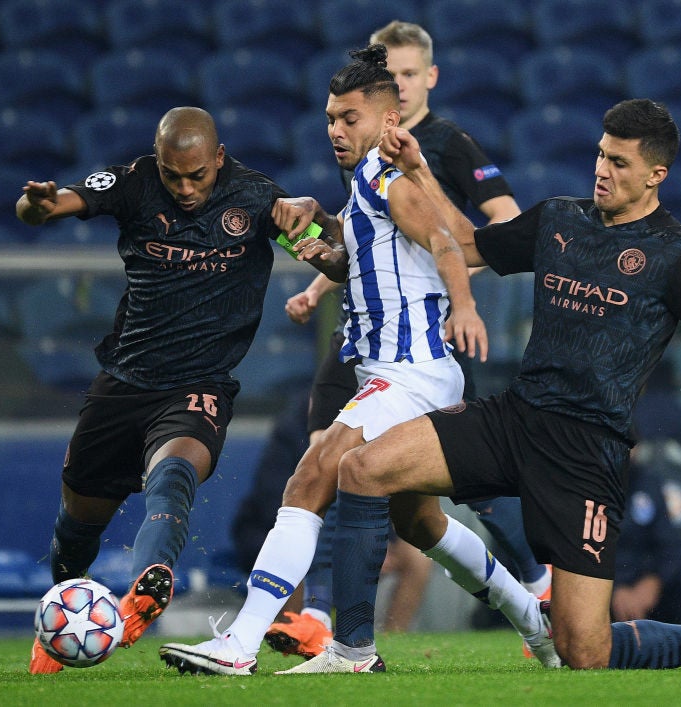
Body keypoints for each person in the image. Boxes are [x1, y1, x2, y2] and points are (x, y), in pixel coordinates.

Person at [322, 98, 681, 671]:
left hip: (586, 454)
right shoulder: (559, 218)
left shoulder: (680, 257)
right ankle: (353, 652)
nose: (601, 170)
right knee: (363, 470)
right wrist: (420, 173)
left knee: (585, 652)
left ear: (654, 175)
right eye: (599, 155)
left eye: (618, 162)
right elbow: (466, 245)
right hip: (514, 419)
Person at [158, 45, 555, 677]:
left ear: (388, 121)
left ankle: (242, 642)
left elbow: (449, 241)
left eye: (349, 118)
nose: (335, 130)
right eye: (329, 119)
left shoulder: (392, 181)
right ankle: (538, 623)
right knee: (419, 520)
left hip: (412, 369)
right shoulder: (365, 182)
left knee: (311, 475)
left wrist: (465, 307)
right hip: (394, 370)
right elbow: (353, 257)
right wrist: (307, 232)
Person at [16, 106, 345, 674]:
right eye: (174, 175)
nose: (186, 188)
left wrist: (318, 227)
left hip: (201, 383)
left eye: (198, 175)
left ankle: (147, 586)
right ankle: (62, 619)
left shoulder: (257, 199)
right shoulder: (134, 183)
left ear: (219, 158)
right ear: (158, 161)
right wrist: (37, 205)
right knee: (78, 524)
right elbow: (47, 206)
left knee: (174, 473)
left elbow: (338, 265)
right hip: (124, 381)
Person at [266, 20, 547, 660]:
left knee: (459, 489)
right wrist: (321, 280)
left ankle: (538, 586)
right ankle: (315, 618)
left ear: (426, 81)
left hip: (423, 340)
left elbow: (500, 231)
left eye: (410, 73)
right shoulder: (363, 153)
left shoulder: (442, 145)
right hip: (362, 339)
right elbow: (370, 244)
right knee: (330, 461)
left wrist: (449, 289)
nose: (400, 82)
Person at [611, 457, 681, 624]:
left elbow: (672, 546)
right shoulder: (584, 482)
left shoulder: (648, 481)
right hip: (599, 585)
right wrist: (614, 589)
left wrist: (655, 581)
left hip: (644, 586)